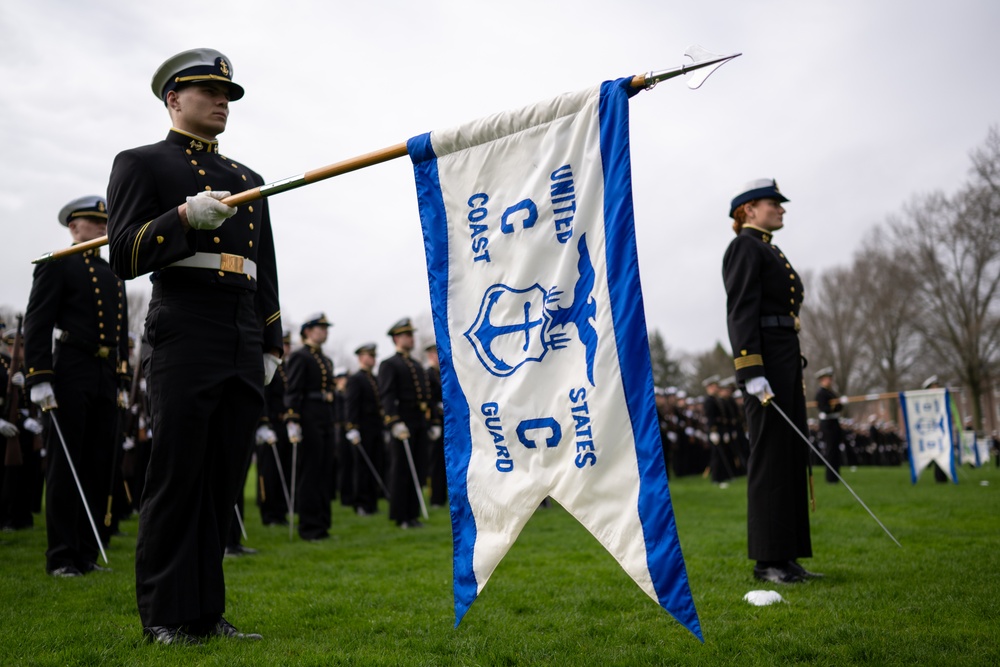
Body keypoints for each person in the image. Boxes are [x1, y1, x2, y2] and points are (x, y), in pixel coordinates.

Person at [106, 48, 281, 644]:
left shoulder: (247, 179)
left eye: (227, 96)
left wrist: (271, 340)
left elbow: (267, 268)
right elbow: (123, 254)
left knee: (221, 480)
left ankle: (206, 612)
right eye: (209, 93)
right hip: (185, 322)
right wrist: (181, 219)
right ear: (174, 98)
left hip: (241, 328)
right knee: (178, 475)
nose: (221, 104)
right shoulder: (141, 162)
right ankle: (165, 616)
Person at [24, 195, 130, 577]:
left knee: (99, 464)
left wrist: (123, 378)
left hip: (103, 374)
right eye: (94, 222)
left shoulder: (113, 272)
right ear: (73, 227)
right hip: (70, 369)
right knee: (66, 466)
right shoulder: (58, 264)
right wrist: (39, 377)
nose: (103, 227)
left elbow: (122, 333)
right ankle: (62, 557)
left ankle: (86, 551)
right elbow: (36, 323)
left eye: (105, 222)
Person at [722, 178, 820, 584]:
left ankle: (788, 555)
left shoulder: (768, 248)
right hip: (765, 363)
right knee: (770, 458)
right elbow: (741, 310)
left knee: (790, 455)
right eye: (773, 203)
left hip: (784, 357)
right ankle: (767, 561)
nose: (781, 209)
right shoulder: (745, 246)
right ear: (748, 210)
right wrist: (751, 371)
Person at [283, 313, 335, 541]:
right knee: (310, 472)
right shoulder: (300, 356)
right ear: (307, 331)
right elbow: (292, 390)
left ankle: (322, 524)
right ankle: (310, 527)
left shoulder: (324, 358)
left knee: (324, 470)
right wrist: (292, 419)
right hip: (309, 415)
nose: (325, 331)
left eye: (325, 327)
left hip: (324, 414)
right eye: (320, 327)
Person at [378, 318, 431, 529]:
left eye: (412, 335)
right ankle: (401, 516)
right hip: (403, 422)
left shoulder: (416, 364)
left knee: (417, 468)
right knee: (401, 470)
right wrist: (394, 421)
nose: (411, 338)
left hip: (418, 421)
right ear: (397, 338)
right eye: (407, 335)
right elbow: (387, 395)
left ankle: (413, 514)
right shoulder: (389, 364)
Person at [345, 343, 386, 516]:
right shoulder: (356, 379)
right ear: (361, 357)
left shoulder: (374, 378)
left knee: (375, 464)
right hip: (362, 428)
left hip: (375, 427)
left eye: (374, 356)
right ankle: (361, 503)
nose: (373, 359)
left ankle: (372, 502)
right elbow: (351, 405)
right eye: (370, 356)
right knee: (362, 467)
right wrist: (352, 427)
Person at [256, 330, 292, 527]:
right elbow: (264, 396)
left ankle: (280, 513)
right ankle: (268, 514)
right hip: (269, 425)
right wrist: (263, 422)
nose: (286, 349)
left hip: (282, 424)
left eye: (288, 345)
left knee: (282, 472)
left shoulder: (286, 370)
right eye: (284, 345)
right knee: (268, 472)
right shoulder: (268, 367)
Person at [814, 367, 846, 483]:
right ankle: (830, 478)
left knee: (836, 451)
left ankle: (836, 476)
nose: (830, 381)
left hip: (834, 422)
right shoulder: (821, 393)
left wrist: (839, 403)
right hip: (827, 424)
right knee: (830, 450)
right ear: (822, 380)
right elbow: (824, 409)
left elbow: (839, 408)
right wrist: (835, 405)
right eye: (828, 379)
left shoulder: (831, 392)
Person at [424, 343, 446, 507]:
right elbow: (427, 399)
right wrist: (433, 421)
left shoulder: (442, 373)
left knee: (444, 462)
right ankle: (435, 498)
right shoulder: (428, 374)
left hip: (447, 422)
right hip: (435, 422)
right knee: (435, 463)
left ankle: (443, 496)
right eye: (434, 354)